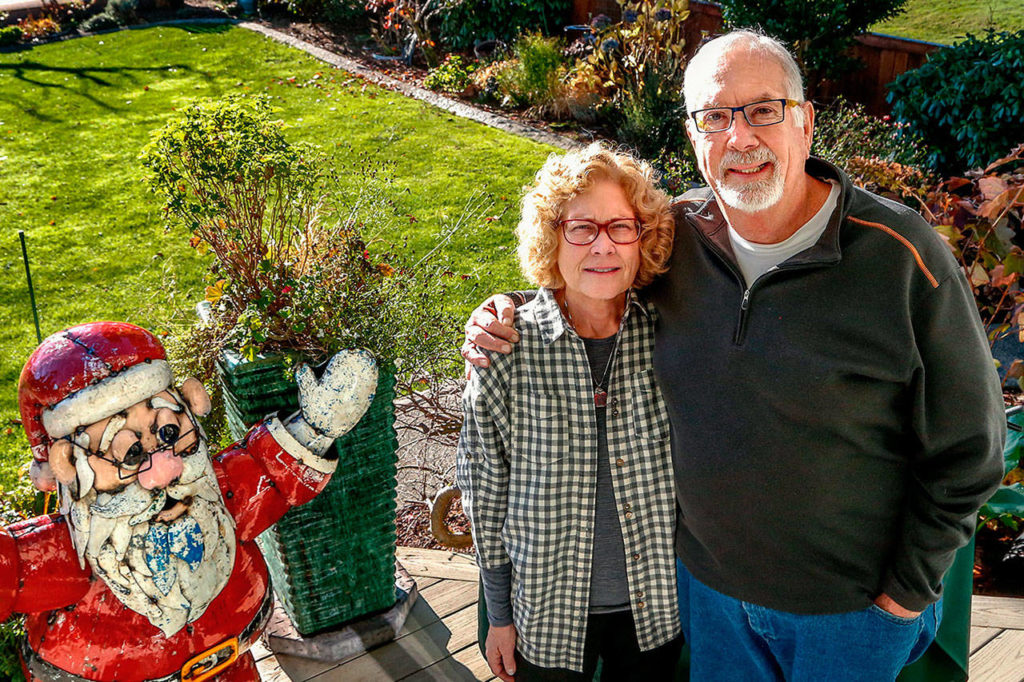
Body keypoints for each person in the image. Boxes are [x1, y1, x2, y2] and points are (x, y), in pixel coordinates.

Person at [462, 29, 1006, 681]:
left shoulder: (900, 257)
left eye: (763, 111)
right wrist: (506, 308)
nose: (739, 138)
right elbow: (587, 277)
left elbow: (971, 447)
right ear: (693, 137)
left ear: (804, 123)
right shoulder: (675, 243)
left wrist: (904, 593)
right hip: (710, 601)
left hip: (850, 614)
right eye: (714, 117)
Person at [4, 321, 377, 681]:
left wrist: (315, 427)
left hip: (234, 663)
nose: (164, 472)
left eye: (169, 433)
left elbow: (266, 470)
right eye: (130, 455)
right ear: (67, 465)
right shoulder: (64, 556)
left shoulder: (216, 494)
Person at [457, 143, 682, 681]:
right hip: (546, 616)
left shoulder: (672, 337)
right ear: (551, 238)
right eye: (581, 228)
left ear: (643, 237)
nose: (602, 246)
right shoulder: (505, 349)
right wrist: (500, 615)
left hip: (658, 612)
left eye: (620, 227)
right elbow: (484, 491)